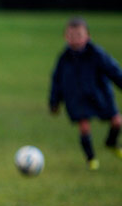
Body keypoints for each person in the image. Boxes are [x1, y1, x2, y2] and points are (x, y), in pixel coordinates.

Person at [50, 16, 122, 170]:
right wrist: (54, 101)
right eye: (71, 36)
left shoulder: (97, 54)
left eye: (79, 35)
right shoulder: (64, 58)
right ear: (65, 37)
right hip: (78, 98)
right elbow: (56, 81)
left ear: (88, 36)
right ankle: (91, 159)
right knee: (84, 127)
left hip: (100, 95)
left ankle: (111, 142)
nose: (75, 39)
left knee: (117, 121)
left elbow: (113, 71)